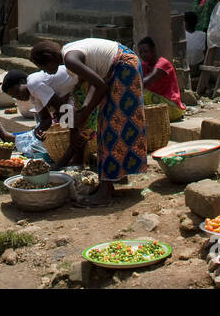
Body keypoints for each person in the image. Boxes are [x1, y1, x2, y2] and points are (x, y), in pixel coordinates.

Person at [29, 37, 146, 206]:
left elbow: (100, 86)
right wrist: (84, 108)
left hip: (123, 66)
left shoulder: (70, 60)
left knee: (112, 127)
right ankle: (107, 185)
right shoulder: (69, 56)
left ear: (50, 59)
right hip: (118, 66)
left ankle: (105, 192)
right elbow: (95, 82)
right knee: (105, 125)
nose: (45, 72)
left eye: (43, 67)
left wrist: (84, 114)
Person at [137, 37, 184, 120]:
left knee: (142, 94)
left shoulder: (163, 64)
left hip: (172, 107)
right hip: (159, 106)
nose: (142, 55)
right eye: (140, 52)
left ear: (153, 50)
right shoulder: (144, 66)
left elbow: (147, 81)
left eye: (145, 51)